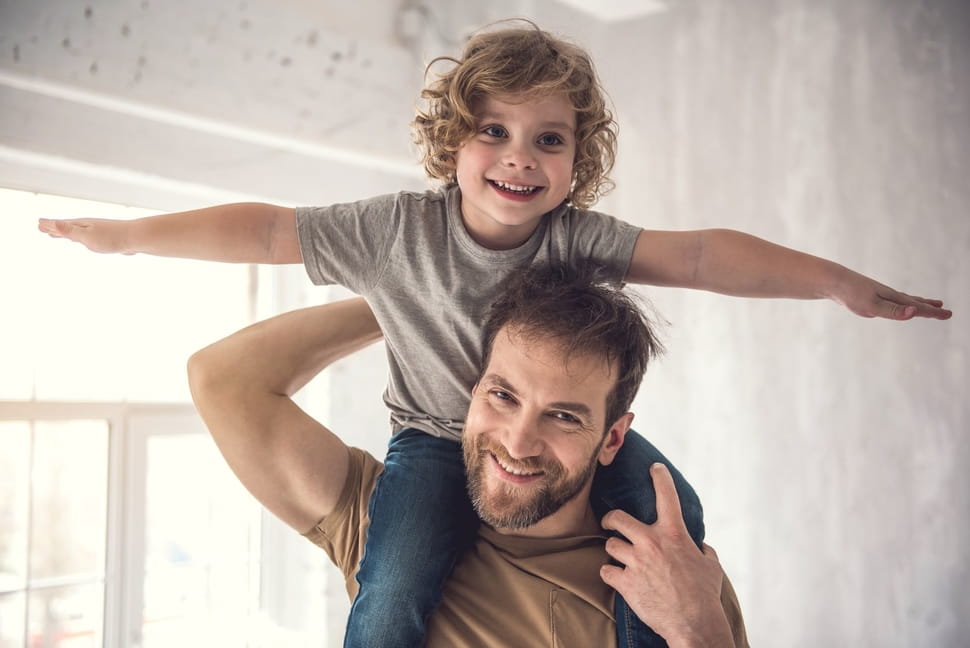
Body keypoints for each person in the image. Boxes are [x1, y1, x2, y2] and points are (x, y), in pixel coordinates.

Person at [38, 19, 950, 648]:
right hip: (434, 450)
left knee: (684, 517)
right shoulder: (393, 233)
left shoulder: (574, 241)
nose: (520, 155)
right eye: (494, 130)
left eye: (550, 140)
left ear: (575, 161)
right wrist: (131, 235)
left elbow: (705, 256)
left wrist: (836, 282)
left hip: (617, 517)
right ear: (451, 142)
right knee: (393, 588)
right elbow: (270, 230)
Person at [187, 263, 749, 648]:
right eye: (503, 395)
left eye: (563, 415)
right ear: (472, 391)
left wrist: (699, 631)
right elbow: (223, 381)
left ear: (612, 439)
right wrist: (415, 298)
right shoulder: (384, 526)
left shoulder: (676, 579)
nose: (517, 441)